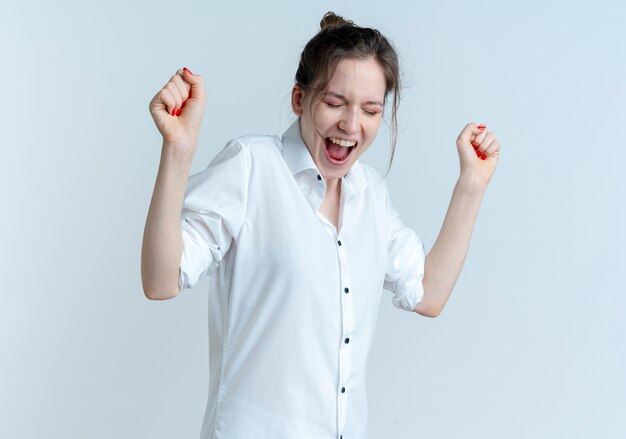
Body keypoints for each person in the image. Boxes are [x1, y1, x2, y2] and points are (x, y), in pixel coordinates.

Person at [141, 11, 500, 439]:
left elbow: (429, 294)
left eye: (370, 110)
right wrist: (178, 150)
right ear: (299, 99)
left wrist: (471, 184)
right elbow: (161, 282)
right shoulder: (252, 167)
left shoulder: (371, 195)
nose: (351, 126)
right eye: (334, 103)